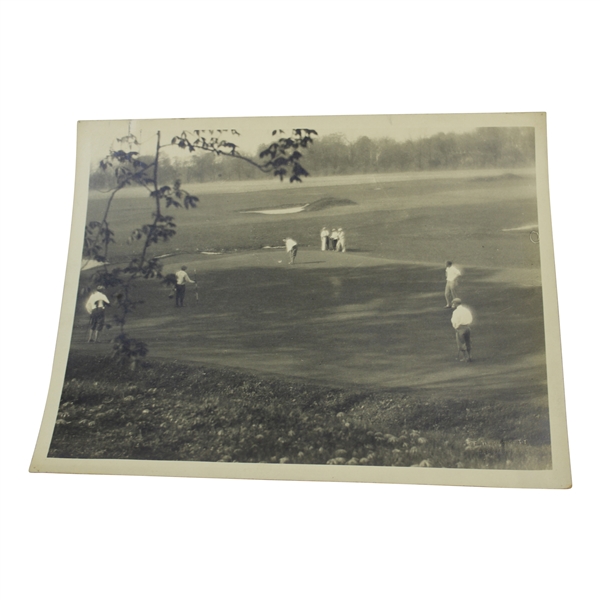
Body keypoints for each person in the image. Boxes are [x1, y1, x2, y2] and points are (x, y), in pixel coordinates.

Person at [450, 298, 473, 362]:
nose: (452, 304)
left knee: (461, 343)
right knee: (468, 341)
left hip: (460, 328)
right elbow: (470, 318)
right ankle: (470, 356)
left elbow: (454, 321)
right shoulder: (466, 310)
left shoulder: (456, 312)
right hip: (467, 327)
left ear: (455, 303)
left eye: (453, 303)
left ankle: (465, 357)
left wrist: (456, 327)